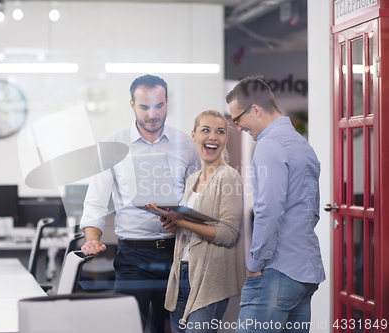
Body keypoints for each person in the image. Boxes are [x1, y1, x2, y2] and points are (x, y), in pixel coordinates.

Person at [79, 74, 200, 333]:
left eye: (159, 105)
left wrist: (183, 222)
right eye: (144, 107)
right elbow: (95, 203)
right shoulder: (112, 146)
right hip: (133, 257)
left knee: (170, 328)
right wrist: (91, 237)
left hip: (177, 254)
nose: (152, 114)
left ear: (168, 102)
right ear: (132, 105)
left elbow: (198, 199)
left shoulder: (187, 145)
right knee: (127, 326)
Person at [225, 76, 325, 332]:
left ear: (256, 109)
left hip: (277, 272)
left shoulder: (269, 146)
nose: (237, 127)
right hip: (305, 271)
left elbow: (268, 212)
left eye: (237, 119)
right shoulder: (302, 145)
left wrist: (254, 264)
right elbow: (312, 212)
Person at [146, 110, 245, 333]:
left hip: (209, 278)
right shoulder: (192, 178)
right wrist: (172, 223)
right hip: (181, 273)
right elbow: (188, 227)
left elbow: (228, 234)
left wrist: (181, 220)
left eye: (220, 132)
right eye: (205, 130)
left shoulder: (228, 177)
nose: (213, 136)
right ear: (194, 135)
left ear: (225, 139)